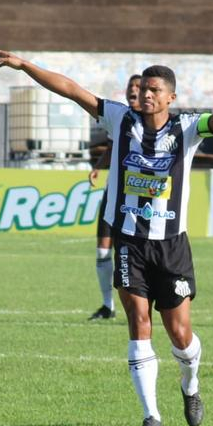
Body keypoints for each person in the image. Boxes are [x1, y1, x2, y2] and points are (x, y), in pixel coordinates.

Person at [0, 49, 213, 426]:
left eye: (154, 90)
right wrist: (25, 66)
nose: (146, 95)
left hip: (170, 245)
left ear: (170, 97)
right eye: (143, 89)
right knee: (139, 323)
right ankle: (151, 416)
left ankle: (191, 384)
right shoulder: (120, 118)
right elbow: (72, 90)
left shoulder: (188, 127)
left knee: (181, 335)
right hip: (130, 241)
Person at [88, 74, 142, 320]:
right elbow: (112, 147)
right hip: (114, 195)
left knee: (132, 255)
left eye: (138, 87)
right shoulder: (120, 119)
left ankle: (141, 306)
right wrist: (98, 166)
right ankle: (107, 305)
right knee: (102, 251)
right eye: (130, 86)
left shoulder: (155, 123)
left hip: (139, 199)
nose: (134, 90)